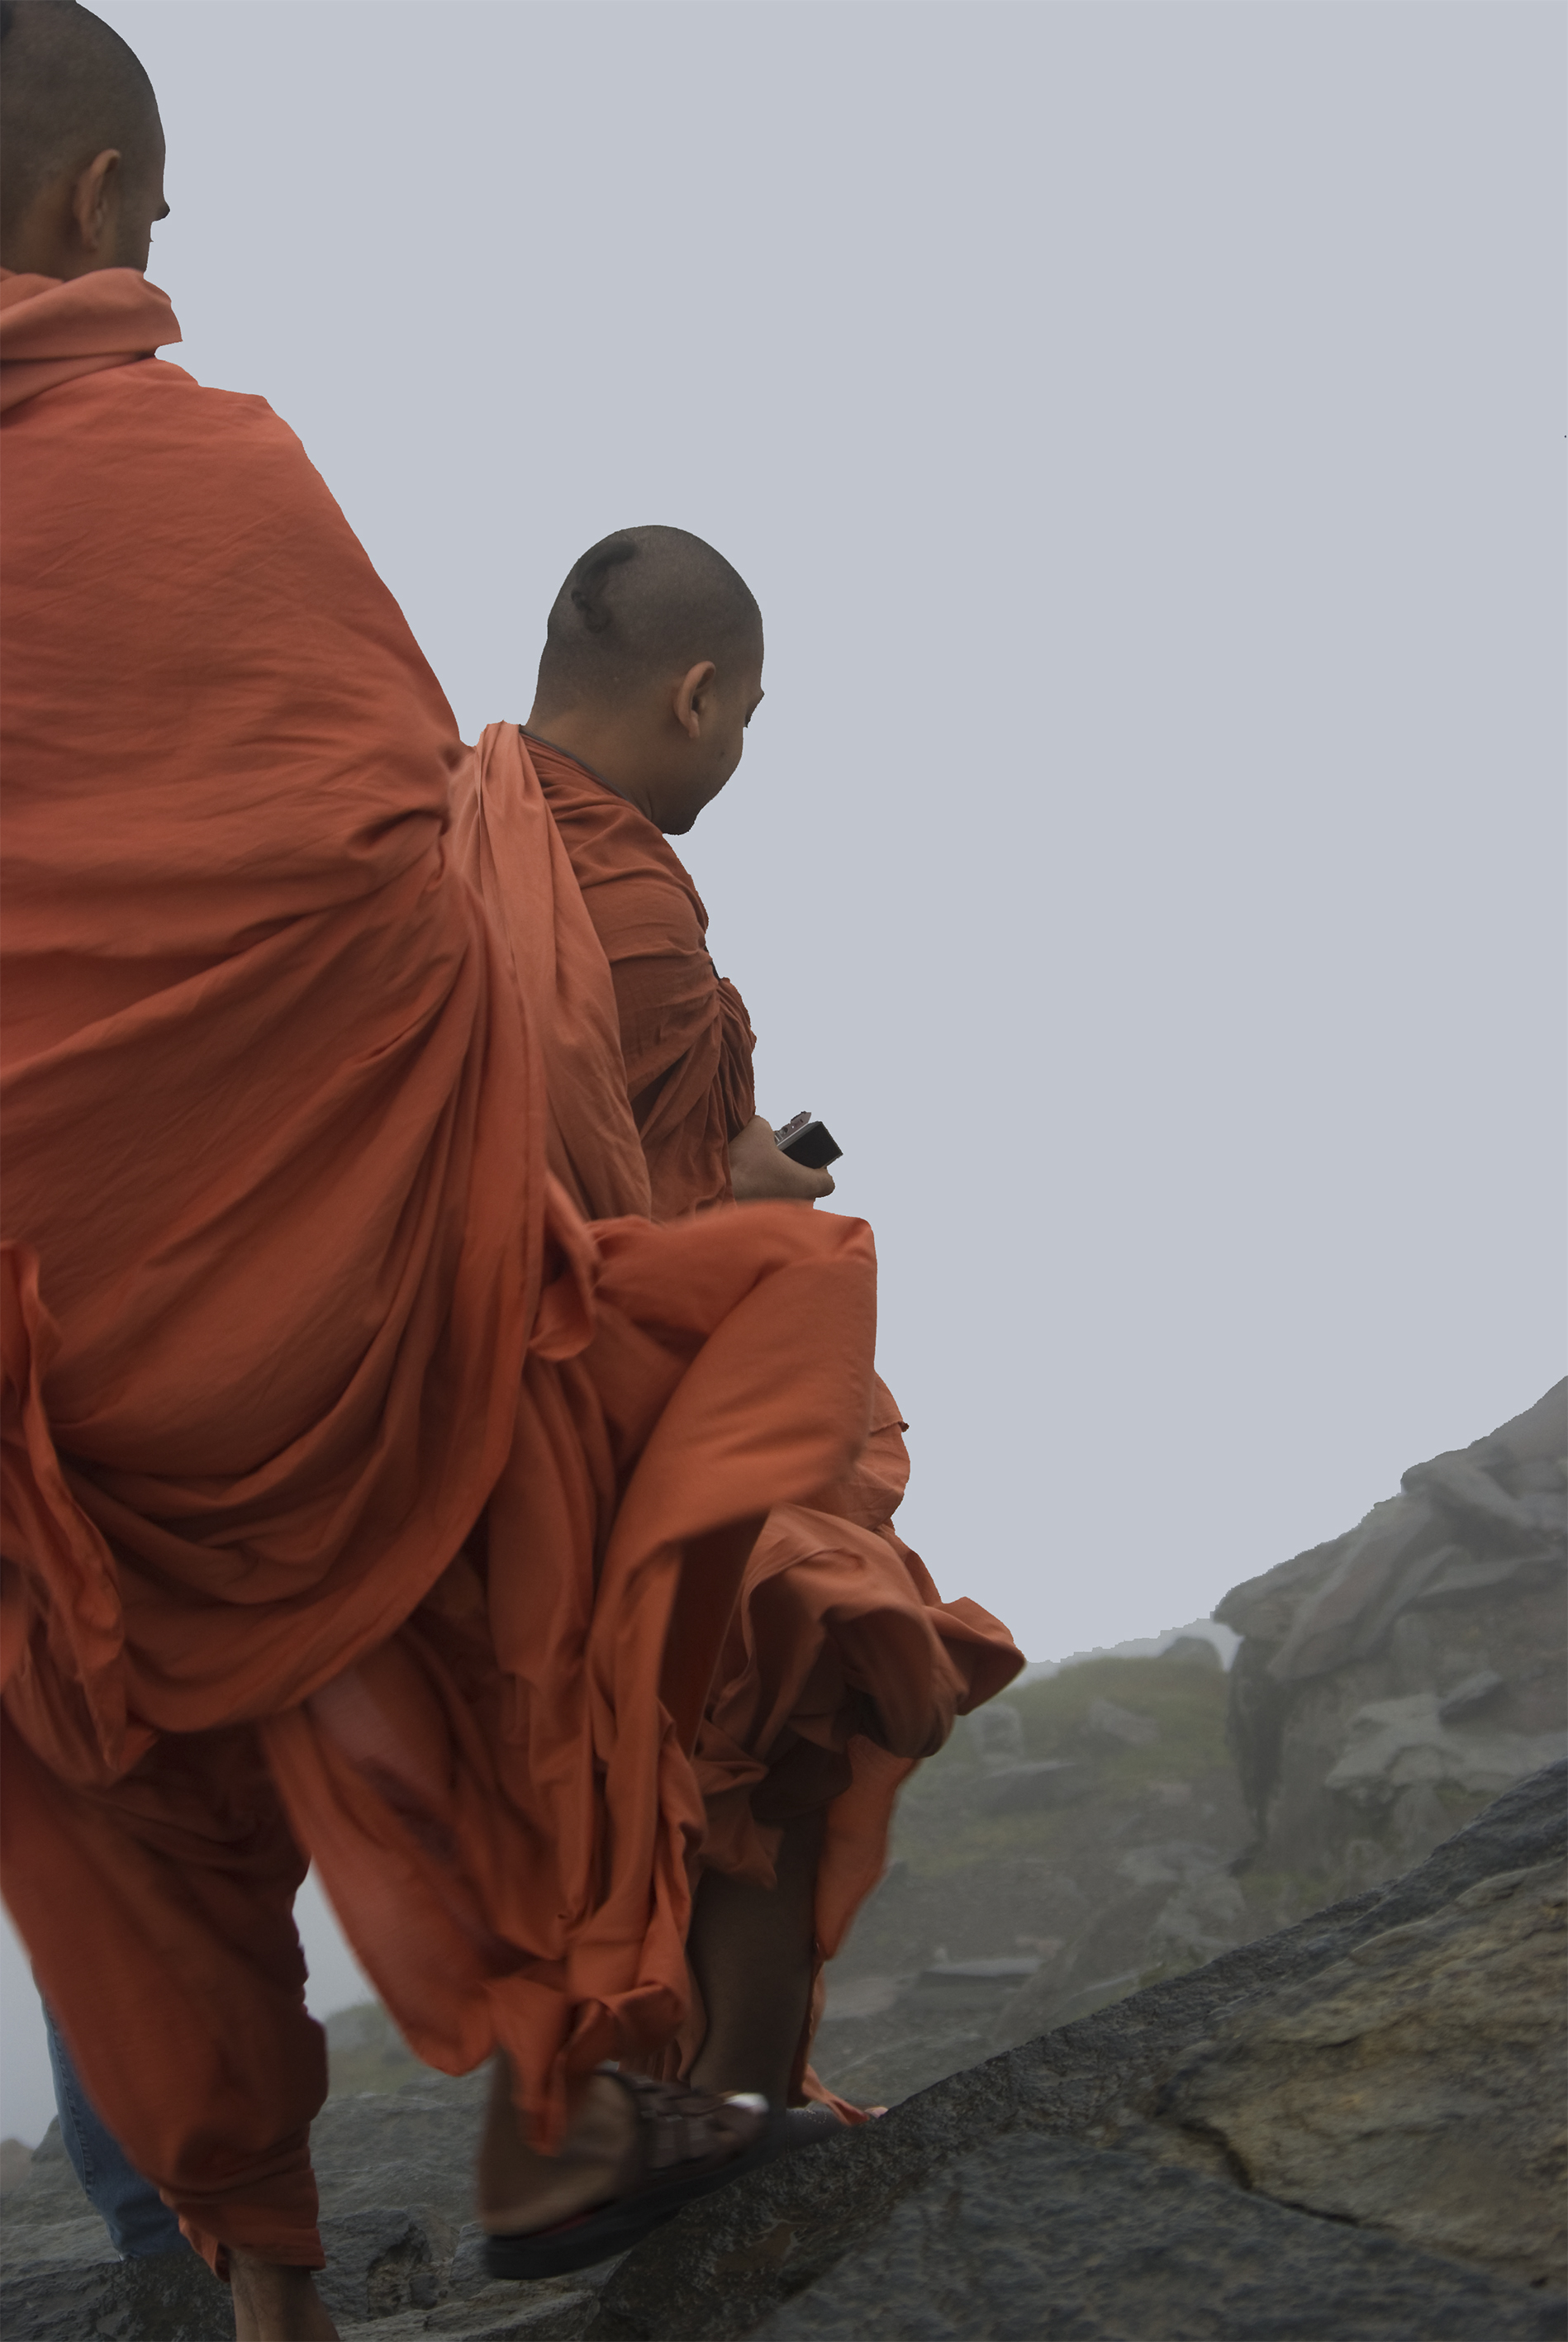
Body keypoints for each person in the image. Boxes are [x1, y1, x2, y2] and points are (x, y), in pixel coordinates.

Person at [1, 9, 885, 2335]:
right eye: (160, 218)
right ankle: (587, 2104)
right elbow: (402, 889)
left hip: (22, 1354)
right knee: (608, 1473)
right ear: (95, 208)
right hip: (289, 1314)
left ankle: (265, 2289)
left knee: (117, 1776)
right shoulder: (204, 475)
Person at [466, 529, 1023, 2133]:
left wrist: (734, 1162)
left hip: (505, 1411)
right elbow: (627, 1216)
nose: (743, 750)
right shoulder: (632, 890)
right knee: (795, 1696)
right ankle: (723, 2128)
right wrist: (752, 1201)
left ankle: (656, 2117)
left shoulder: (463, 820)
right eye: (754, 714)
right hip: (627, 1408)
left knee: (666, 1756)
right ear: (697, 695)